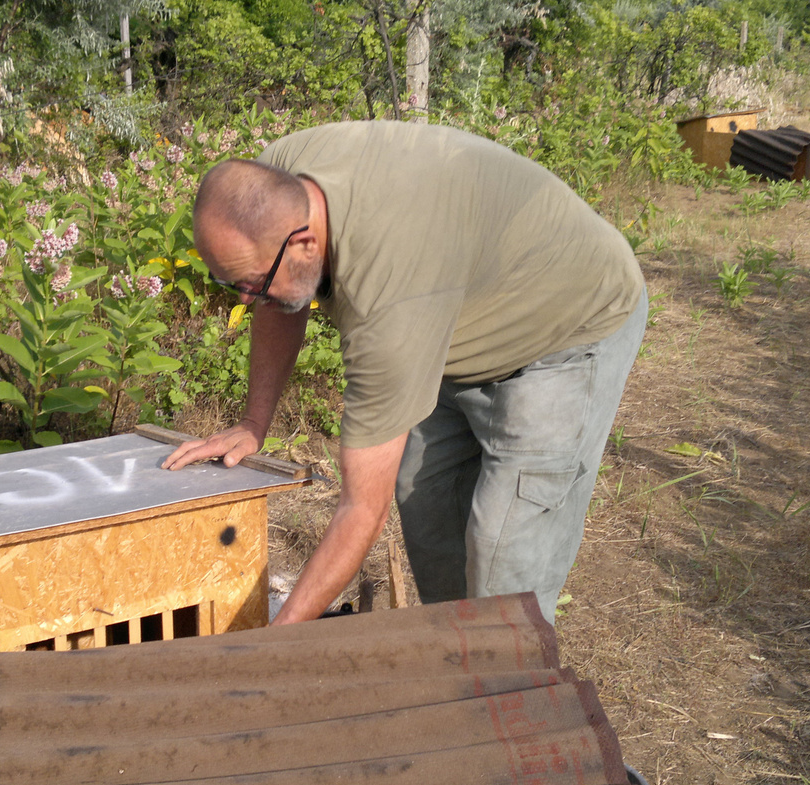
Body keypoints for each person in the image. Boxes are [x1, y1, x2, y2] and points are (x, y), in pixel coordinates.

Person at [164, 120, 647, 627]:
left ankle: (510, 686)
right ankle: (461, 661)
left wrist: (275, 642)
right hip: (456, 306)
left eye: (251, 282)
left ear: (305, 243)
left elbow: (361, 514)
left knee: (502, 568)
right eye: (230, 282)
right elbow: (275, 297)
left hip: (568, 326)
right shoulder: (274, 182)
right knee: (428, 506)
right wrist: (253, 422)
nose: (244, 299)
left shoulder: (388, 302)